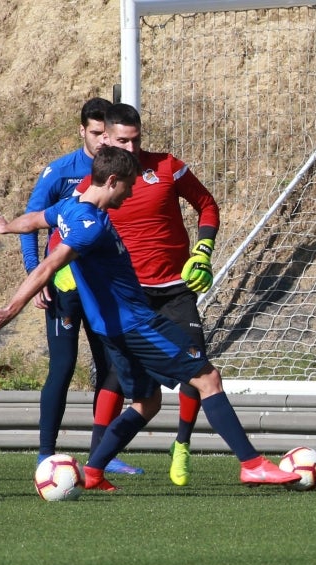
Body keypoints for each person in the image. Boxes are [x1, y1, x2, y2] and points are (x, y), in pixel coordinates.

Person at [0, 146, 300, 491]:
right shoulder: (89, 227)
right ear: (112, 181)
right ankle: (251, 464)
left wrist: (5, 227)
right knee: (208, 379)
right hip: (137, 325)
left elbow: (35, 219)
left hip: (113, 329)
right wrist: (10, 310)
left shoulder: (69, 208)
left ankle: (93, 472)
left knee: (147, 403)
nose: (131, 192)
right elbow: (48, 266)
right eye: (128, 186)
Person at [77, 103, 219, 487]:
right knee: (116, 377)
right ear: (105, 138)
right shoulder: (94, 184)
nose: (131, 147)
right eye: (122, 140)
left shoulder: (167, 167)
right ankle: (98, 456)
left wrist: (202, 250)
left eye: (136, 139)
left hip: (175, 288)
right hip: (128, 296)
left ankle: (182, 444)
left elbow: (206, 205)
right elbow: (67, 228)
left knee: (196, 365)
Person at [19, 97, 142, 475]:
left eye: (107, 133)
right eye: (95, 133)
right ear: (83, 131)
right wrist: (33, 273)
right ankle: (45, 452)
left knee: (110, 366)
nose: (103, 140)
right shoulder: (60, 172)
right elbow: (33, 220)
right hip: (65, 286)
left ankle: (101, 455)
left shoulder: (116, 172)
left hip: (102, 290)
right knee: (63, 366)